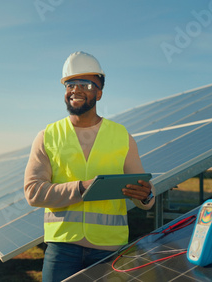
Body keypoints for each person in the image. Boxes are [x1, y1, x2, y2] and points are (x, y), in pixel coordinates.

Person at [24, 51, 155, 281]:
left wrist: (145, 196)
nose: (75, 90)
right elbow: (33, 193)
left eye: (85, 84)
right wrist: (81, 188)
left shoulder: (121, 136)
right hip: (62, 247)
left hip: (109, 249)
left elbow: (146, 197)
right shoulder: (47, 136)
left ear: (99, 93)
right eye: (70, 84)